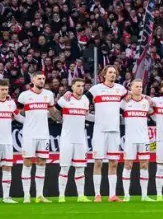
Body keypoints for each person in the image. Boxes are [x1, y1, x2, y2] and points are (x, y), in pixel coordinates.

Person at [89, 66, 128, 202]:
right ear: (104, 74)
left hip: (115, 131)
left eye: (114, 73)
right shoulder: (96, 89)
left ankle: (112, 195)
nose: (113, 74)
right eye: (110, 72)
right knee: (98, 162)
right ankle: (97, 194)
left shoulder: (121, 89)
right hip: (100, 131)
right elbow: (83, 101)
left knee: (113, 163)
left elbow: (128, 99)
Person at [18, 72, 57, 203]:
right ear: (33, 80)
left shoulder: (49, 95)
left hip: (44, 135)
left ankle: (39, 195)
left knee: (42, 163)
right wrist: (26, 122)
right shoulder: (24, 96)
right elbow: (15, 112)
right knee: (27, 163)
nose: (41, 81)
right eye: (39, 78)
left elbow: (52, 112)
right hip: (29, 135)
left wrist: (60, 118)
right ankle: (26, 196)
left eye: (43, 79)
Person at [57, 79, 93, 202]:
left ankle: (81, 196)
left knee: (80, 168)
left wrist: (100, 119)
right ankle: (61, 196)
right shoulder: (65, 99)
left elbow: (87, 116)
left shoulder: (85, 100)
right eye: (78, 86)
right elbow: (55, 108)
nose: (81, 88)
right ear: (72, 87)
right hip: (67, 138)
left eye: (82, 86)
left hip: (81, 139)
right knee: (65, 168)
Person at [119, 79, 154, 201]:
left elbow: (154, 113)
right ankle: (126, 195)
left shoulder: (146, 102)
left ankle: (144, 195)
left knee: (144, 165)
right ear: (131, 88)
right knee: (128, 165)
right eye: (137, 86)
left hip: (144, 139)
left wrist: (148, 97)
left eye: (140, 86)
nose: (139, 88)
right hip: (130, 139)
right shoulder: (124, 102)